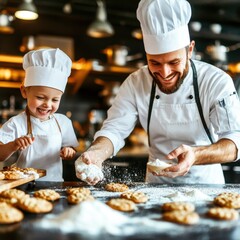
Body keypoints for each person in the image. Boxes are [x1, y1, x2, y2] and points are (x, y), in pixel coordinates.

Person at [75, 0, 240, 185]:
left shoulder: (215, 81)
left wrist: (195, 155)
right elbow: (114, 130)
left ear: (190, 50)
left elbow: (234, 142)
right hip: (155, 188)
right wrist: (96, 154)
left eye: (174, 62)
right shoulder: (136, 82)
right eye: (155, 63)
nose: (165, 73)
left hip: (207, 187)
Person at [0, 48, 79, 181]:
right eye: (41, 97)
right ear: (24, 91)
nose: (47, 104)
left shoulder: (63, 122)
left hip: (54, 186)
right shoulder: (16, 123)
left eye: (55, 100)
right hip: (24, 186)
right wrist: (14, 145)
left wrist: (69, 151)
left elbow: (70, 148)